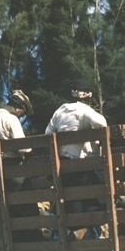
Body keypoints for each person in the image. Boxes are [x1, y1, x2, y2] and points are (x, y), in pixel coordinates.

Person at [45, 79, 109, 239]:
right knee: (96, 201)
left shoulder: (60, 111)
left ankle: (70, 235)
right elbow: (102, 124)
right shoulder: (84, 110)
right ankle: (83, 236)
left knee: (71, 201)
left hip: (63, 164)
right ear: (88, 94)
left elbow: (48, 133)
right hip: (82, 165)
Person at [0, 90, 43, 242]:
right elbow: (23, 148)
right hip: (13, 169)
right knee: (26, 208)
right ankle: (33, 243)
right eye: (22, 112)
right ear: (18, 107)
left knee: (5, 211)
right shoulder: (11, 120)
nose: (21, 116)